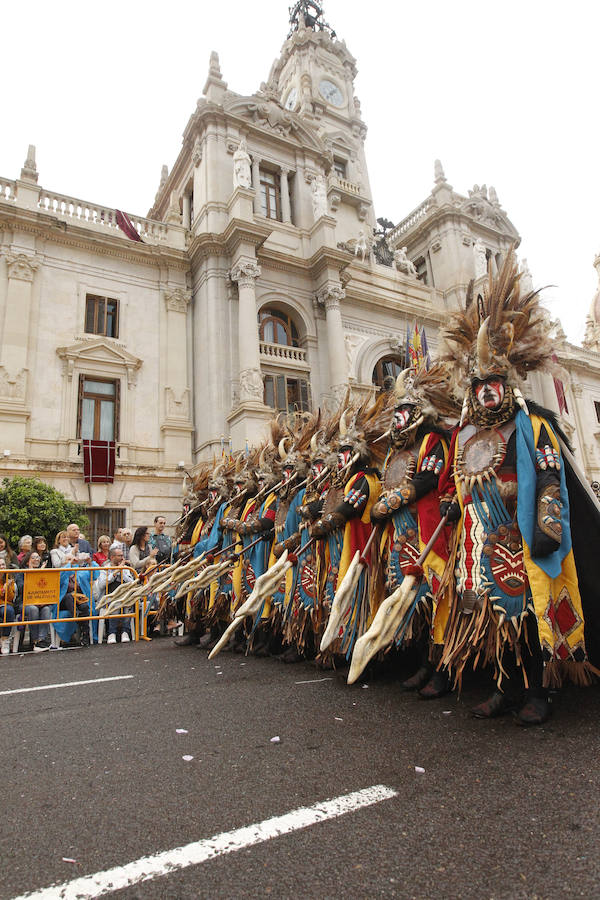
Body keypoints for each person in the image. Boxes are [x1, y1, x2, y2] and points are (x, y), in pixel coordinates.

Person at [436, 252, 600, 725]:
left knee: (528, 617)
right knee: (489, 618)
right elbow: (457, 481)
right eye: (480, 385)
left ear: (507, 386)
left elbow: (551, 477)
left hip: (523, 536)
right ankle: (503, 689)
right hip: (479, 542)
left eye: (495, 384)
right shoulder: (463, 435)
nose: (488, 392)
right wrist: (453, 505)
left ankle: (539, 693)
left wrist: (545, 522)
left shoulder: (534, 426)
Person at [93, 546, 135, 643]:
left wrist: (121, 571)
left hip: (124, 596)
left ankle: (125, 631)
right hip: (108, 597)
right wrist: (115, 573)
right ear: (112, 557)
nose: (122, 558)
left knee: (129, 603)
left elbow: (131, 582)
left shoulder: (125, 568)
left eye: (122, 555)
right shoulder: (105, 569)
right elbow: (101, 584)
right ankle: (112, 633)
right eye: (119, 555)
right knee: (115, 603)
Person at [14, 552, 55, 651]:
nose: (36, 559)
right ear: (28, 561)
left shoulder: (44, 572)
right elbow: (21, 588)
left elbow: (49, 588)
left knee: (46, 609)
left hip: (41, 602)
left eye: (37, 557)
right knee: (33, 609)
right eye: (33, 558)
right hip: (25, 603)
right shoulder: (21, 573)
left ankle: (42, 640)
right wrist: (32, 574)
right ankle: (36, 640)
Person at [0, 572, 17, 655]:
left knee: (9, 611)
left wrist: (7, 587)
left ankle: (5, 640)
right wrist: (2, 590)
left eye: (3, 565)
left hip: (5, 604)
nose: (2, 567)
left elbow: (11, 598)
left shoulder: (9, 579)